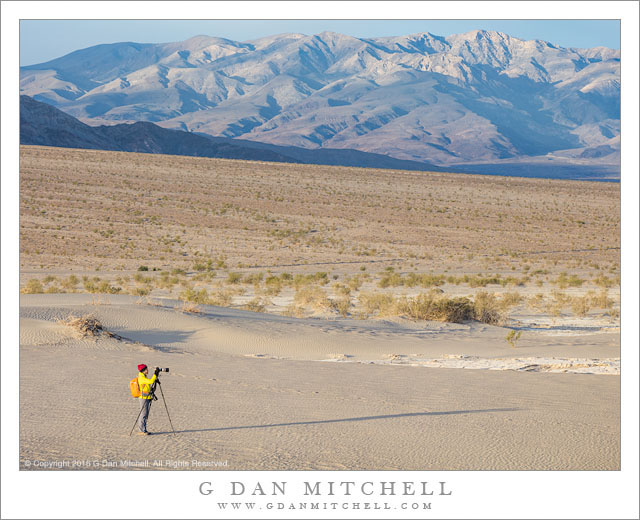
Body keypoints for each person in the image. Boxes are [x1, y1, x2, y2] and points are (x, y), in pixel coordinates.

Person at [137, 364, 158, 435]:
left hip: (147, 397)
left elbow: (150, 383)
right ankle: (141, 430)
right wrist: (155, 374)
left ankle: (143, 429)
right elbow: (151, 381)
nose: (147, 370)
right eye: (146, 369)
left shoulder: (144, 377)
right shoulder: (141, 378)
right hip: (143, 398)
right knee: (143, 413)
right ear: (143, 371)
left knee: (145, 414)